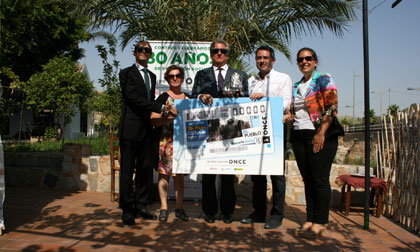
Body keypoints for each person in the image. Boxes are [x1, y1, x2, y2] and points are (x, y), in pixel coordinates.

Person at [118, 40, 178, 225]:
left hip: (147, 130)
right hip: (129, 129)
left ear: (150, 54)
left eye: (147, 50)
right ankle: (127, 210)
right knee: (127, 171)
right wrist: (160, 106)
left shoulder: (151, 76)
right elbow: (133, 98)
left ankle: (141, 206)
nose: (144, 52)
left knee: (145, 170)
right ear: (135, 53)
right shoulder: (126, 73)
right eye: (140, 49)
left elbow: (147, 104)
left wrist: (163, 111)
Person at [191, 38, 248, 224]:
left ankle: (228, 212)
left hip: (230, 129)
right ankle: (209, 212)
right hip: (208, 128)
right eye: (215, 51)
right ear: (211, 54)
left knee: (227, 173)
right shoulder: (201, 74)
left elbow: (246, 99)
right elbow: (193, 96)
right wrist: (202, 95)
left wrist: (237, 96)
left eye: (223, 51)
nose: (219, 54)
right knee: (208, 174)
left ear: (228, 54)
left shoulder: (239, 75)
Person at [240, 45, 292, 229]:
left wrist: (265, 99)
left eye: (265, 58)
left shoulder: (283, 78)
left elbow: (287, 102)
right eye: (259, 58)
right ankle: (259, 212)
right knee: (257, 176)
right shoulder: (250, 80)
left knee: (277, 176)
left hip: (275, 131)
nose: (262, 61)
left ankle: (277, 214)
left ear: (273, 60)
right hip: (254, 132)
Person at [290, 47, 339, 238]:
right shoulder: (296, 86)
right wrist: (287, 115)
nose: (304, 62)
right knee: (308, 180)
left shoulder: (323, 79)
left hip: (319, 134)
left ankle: (320, 221)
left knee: (319, 180)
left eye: (308, 58)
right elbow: (295, 112)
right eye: (300, 59)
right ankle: (309, 219)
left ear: (315, 61)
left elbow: (331, 107)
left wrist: (321, 133)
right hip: (298, 135)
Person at [150, 65, 189, 223]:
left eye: (177, 75)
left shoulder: (188, 98)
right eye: (171, 76)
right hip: (166, 142)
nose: (174, 78)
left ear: (182, 77)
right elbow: (153, 119)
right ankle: (164, 208)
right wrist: (168, 119)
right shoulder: (162, 98)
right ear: (167, 78)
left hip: (183, 143)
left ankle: (179, 208)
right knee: (164, 175)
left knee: (179, 177)